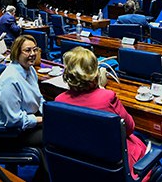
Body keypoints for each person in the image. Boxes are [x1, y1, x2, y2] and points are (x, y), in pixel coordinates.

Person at [55, 47, 149, 180]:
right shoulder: (107, 97)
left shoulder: (59, 101)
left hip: (78, 165)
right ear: (95, 72)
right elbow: (129, 128)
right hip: (112, 164)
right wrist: (101, 89)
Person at [0, 34, 46, 181]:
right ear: (16, 52)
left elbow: (39, 98)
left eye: (35, 49)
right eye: (27, 50)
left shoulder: (30, 70)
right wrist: (41, 119)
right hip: (11, 133)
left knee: (57, 131)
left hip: (27, 123)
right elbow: (14, 120)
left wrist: (48, 112)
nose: (32, 54)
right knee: (54, 136)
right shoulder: (11, 80)